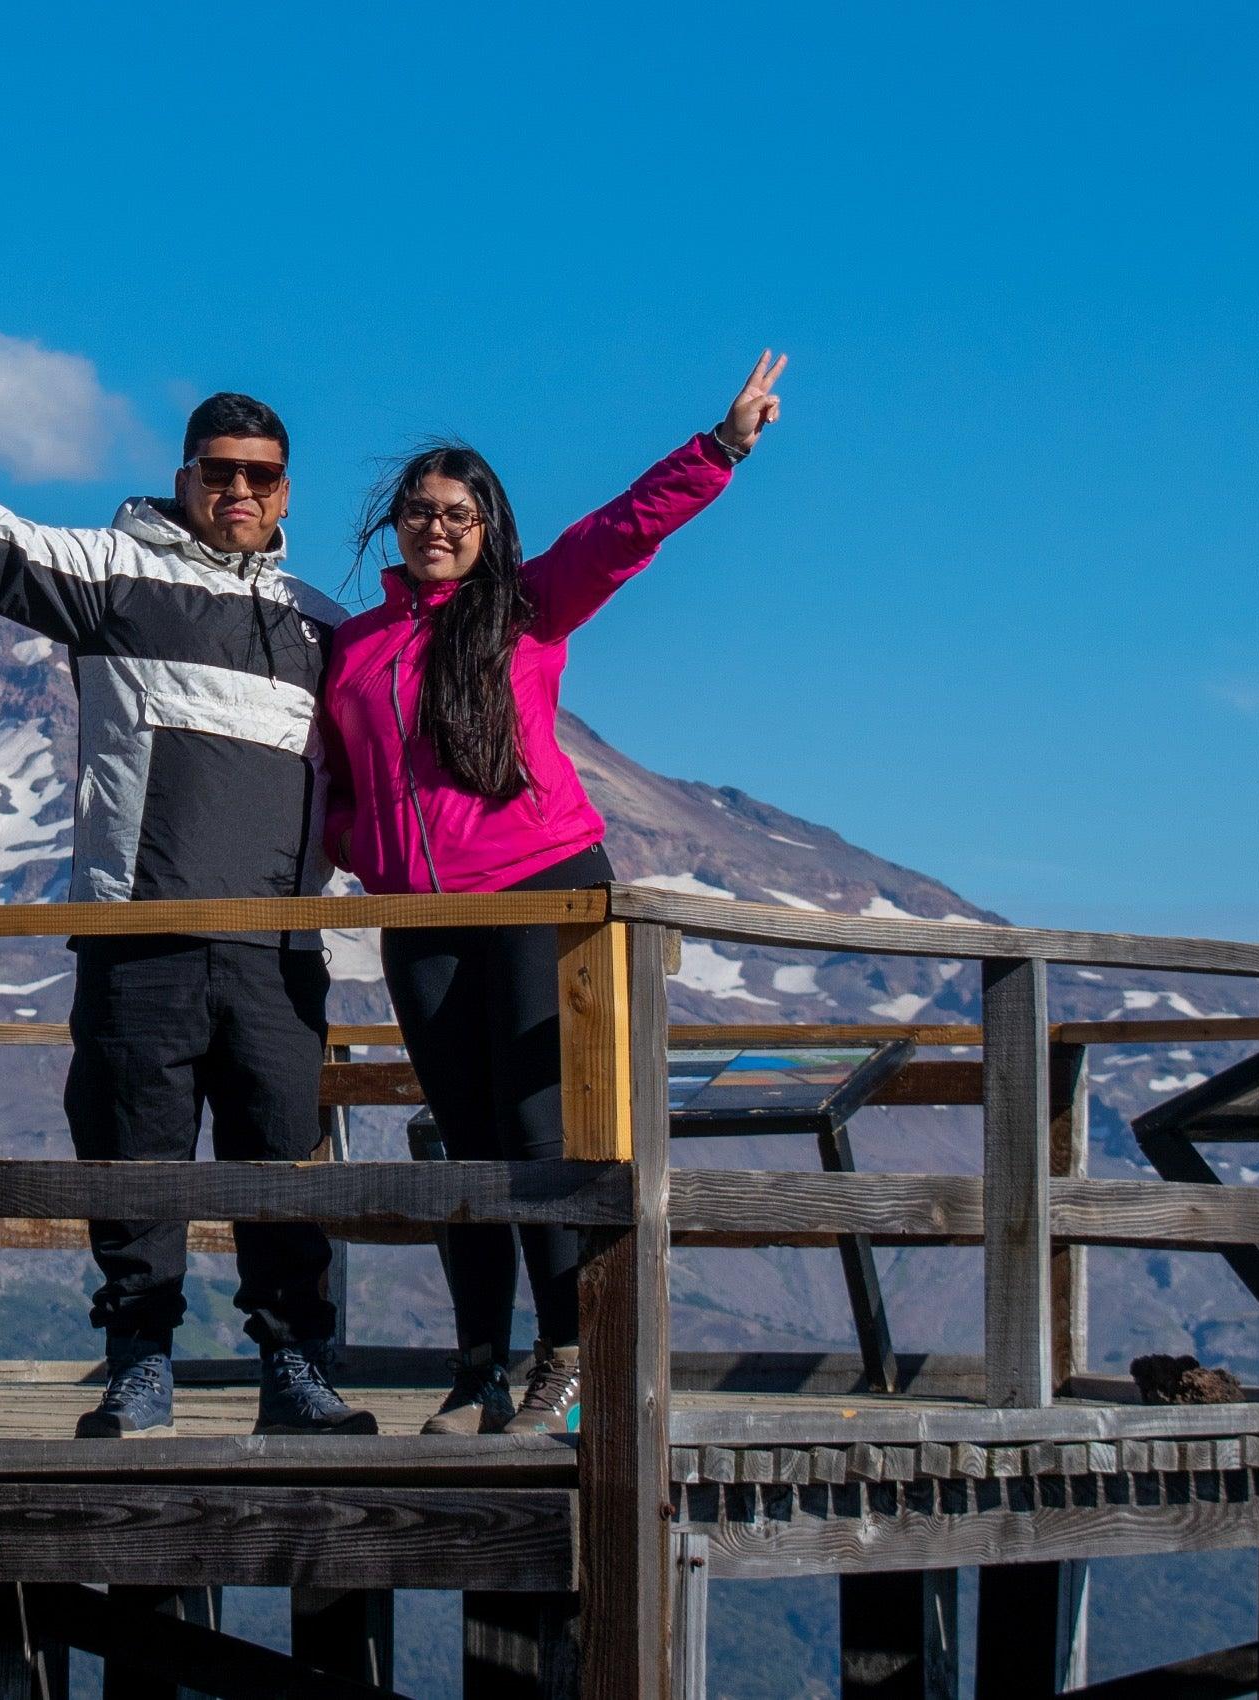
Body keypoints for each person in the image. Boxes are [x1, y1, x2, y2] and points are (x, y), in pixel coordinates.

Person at [0, 392, 376, 1438]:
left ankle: (295, 1366)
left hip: (277, 945)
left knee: (284, 1164)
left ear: (286, 489)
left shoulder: (318, 623)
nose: (237, 490)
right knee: (128, 1160)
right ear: (183, 476)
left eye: (260, 475)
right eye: (217, 471)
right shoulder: (112, 574)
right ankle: (138, 1362)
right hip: (136, 931)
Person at [319, 352, 787, 1435]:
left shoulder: (526, 608)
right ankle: (475, 1363)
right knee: (460, 1136)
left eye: (457, 511)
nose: (435, 527)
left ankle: (564, 1358)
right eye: (418, 510)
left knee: (538, 1130)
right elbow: (337, 786)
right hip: (421, 916)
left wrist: (714, 449)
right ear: (394, 523)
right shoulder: (352, 650)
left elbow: (620, 533)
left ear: (487, 524)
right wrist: (367, 847)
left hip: (542, 891)